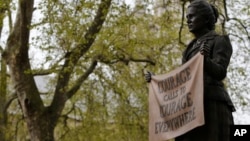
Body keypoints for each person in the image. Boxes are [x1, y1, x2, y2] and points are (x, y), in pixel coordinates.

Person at [145, 0, 235, 141]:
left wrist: (204, 60)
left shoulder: (219, 40)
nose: (188, 21)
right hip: (189, 108)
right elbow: (183, 80)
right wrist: (158, 82)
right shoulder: (189, 48)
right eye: (187, 18)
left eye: (192, 17)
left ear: (205, 19)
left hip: (211, 105)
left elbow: (220, 72)